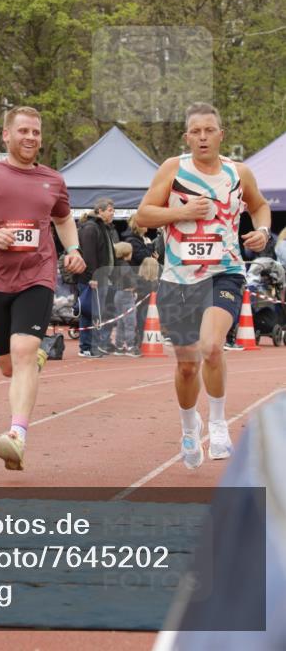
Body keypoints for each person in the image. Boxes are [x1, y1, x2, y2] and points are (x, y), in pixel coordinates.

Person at [135, 102, 271, 469]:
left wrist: (261, 230)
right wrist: (181, 212)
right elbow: (143, 215)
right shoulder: (173, 169)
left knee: (212, 346)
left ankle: (218, 423)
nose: (203, 137)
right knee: (186, 366)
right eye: (196, 131)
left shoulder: (238, 172)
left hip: (224, 272)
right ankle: (189, 426)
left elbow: (259, 206)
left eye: (209, 130)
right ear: (187, 137)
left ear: (221, 134)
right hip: (178, 278)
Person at [0, 106, 85, 471]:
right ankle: (32, 362)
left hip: (37, 275)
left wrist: (73, 249)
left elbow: (63, 218)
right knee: (8, 366)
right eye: (23, 131)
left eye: (36, 132)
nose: (30, 138)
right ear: (6, 134)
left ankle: (17, 435)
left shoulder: (53, 179)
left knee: (23, 352)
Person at [77, 198, 117, 357]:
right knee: (89, 312)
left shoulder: (103, 228)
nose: (113, 213)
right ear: (100, 211)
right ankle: (86, 347)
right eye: (110, 210)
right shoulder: (91, 228)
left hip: (103, 278)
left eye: (113, 210)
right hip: (93, 279)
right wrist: (92, 277)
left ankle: (94, 345)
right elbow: (89, 255)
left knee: (98, 313)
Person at [112, 242, 139, 355]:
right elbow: (130, 279)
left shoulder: (116, 264)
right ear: (126, 253)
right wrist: (135, 285)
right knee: (130, 322)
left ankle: (119, 346)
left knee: (121, 322)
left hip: (118, 293)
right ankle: (130, 346)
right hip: (126, 294)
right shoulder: (125, 266)